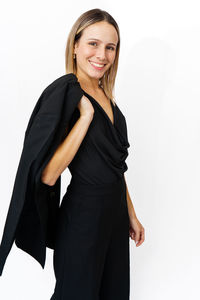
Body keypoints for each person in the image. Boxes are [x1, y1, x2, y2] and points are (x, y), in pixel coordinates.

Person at [41, 8, 145, 300]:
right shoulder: (65, 92)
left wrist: (131, 215)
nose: (102, 55)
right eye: (93, 44)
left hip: (114, 217)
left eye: (110, 47)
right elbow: (48, 175)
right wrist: (84, 117)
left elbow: (114, 167)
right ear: (75, 45)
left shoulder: (106, 95)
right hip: (83, 217)